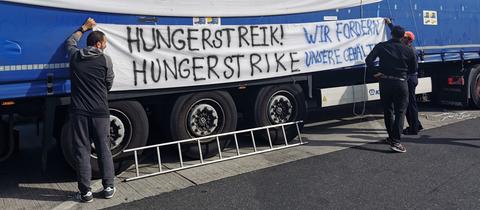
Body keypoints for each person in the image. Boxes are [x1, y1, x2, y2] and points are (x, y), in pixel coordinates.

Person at [65, 17, 116, 202]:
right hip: (100, 112)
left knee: (82, 151)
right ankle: (109, 187)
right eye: (105, 43)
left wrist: (83, 28)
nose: (106, 46)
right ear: (98, 44)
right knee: (104, 149)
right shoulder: (105, 60)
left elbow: (70, 42)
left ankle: (85, 192)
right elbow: (109, 83)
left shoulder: (75, 56)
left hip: (79, 112)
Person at [365, 25, 417, 153]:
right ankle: (396, 142)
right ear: (403, 36)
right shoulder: (408, 50)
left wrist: (376, 71)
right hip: (400, 82)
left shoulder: (381, 46)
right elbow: (413, 69)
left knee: (388, 110)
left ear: (391, 34)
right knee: (400, 112)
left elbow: (369, 60)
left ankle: (390, 137)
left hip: (385, 81)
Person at [385, 18, 424, 135]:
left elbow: (414, 67)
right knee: (408, 103)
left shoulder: (409, 50)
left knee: (410, 104)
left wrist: (405, 74)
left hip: (410, 78)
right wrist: (390, 24)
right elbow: (397, 34)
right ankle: (416, 124)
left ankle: (414, 128)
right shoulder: (406, 46)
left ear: (408, 40)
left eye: (404, 37)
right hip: (410, 78)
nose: (402, 37)